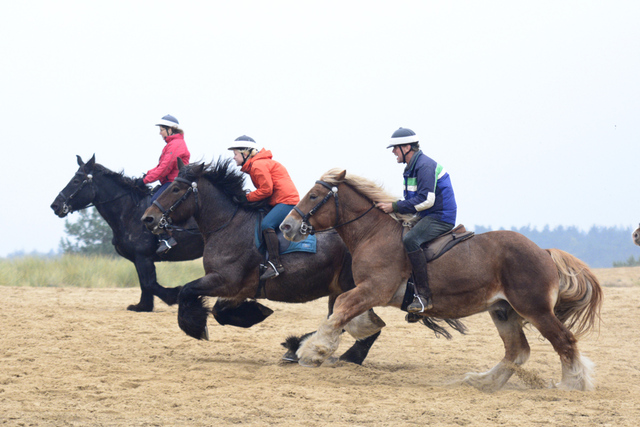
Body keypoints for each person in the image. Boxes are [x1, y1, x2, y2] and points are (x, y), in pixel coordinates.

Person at [376, 127, 457, 313]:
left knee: (410, 239)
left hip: (439, 217)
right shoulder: (411, 167)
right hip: (426, 215)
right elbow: (413, 201)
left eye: (395, 148)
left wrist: (394, 207)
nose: (393, 152)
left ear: (406, 147)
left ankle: (424, 297)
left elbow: (427, 200)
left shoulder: (424, 166)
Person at [228, 135, 300, 279]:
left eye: (235, 154)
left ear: (245, 153)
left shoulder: (257, 165)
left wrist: (246, 198)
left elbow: (266, 190)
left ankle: (275, 264)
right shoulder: (257, 164)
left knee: (267, 224)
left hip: (286, 201)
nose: (234, 158)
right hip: (279, 200)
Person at [135, 114, 190, 254]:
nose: (160, 133)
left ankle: (166, 238)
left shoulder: (176, 144)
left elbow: (164, 169)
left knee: (155, 203)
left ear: (170, 129)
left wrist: (145, 180)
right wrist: (145, 176)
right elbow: (160, 167)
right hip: (169, 182)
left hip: (174, 183)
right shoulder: (172, 144)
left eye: (162, 129)